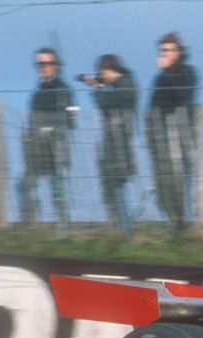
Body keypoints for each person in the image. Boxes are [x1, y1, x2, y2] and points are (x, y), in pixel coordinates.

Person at [19, 47, 74, 234]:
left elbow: (71, 120)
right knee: (24, 185)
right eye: (40, 64)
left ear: (56, 65)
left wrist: (51, 129)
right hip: (37, 151)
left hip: (56, 148)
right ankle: (30, 228)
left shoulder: (64, 90)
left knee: (58, 189)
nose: (44, 67)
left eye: (48, 63)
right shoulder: (37, 93)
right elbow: (32, 121)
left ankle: (63, 231)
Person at [147, 32, 198, 231]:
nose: (165, 54)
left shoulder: (187, 71)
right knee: (161, 181)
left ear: (179, 51)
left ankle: (181, 223)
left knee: (178, 179)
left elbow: (182, 95)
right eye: (162, 50)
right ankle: (171, 221)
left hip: (178, 133)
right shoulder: (160, 76)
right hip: (159, 133)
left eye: (169, 50)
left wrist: (167, 72)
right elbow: (153, 104)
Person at [83, 54, 137, 232]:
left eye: (102, 72)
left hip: (119, 145)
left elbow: (105, 104)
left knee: (118, 185)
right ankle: (123, 227)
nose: (102, 76)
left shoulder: (125, 86)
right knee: (115, 186)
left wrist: (98, 89)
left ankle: (125, 228)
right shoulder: (126, 83)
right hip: (117, 143)